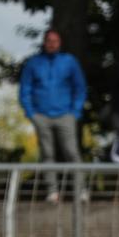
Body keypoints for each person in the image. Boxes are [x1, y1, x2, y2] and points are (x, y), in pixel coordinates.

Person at [19, 29, 86, 203]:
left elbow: (79, 87)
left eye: (55, 41)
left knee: (72, 152)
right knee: (47, 153)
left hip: (66, 114)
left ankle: (80, 190)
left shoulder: (69, 61)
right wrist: (31, 113)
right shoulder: (34, 63)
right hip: (41, 115)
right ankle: (52, 192)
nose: (52, 44)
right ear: (44, 42)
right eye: (49, 41)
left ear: (60, 43)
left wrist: (75, 111)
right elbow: (25, 89)